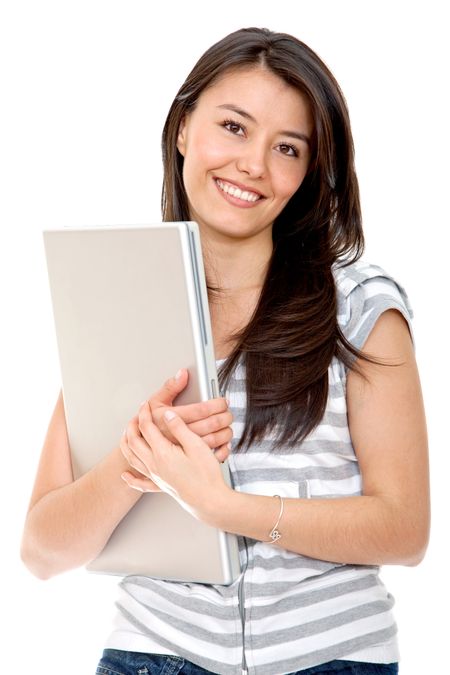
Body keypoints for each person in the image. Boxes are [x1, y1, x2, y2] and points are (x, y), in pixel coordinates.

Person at [21, 27, 430, 675]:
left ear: (306, 173)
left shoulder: (359, 307)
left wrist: (225, 509)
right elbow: (42, 551)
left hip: (330, 660)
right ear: (184, 127)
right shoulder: (121, 306)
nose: (253, 166)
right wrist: (133, 461)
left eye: (287, 148)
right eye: (234, 127)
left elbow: (405, 529)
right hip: (151, 656)